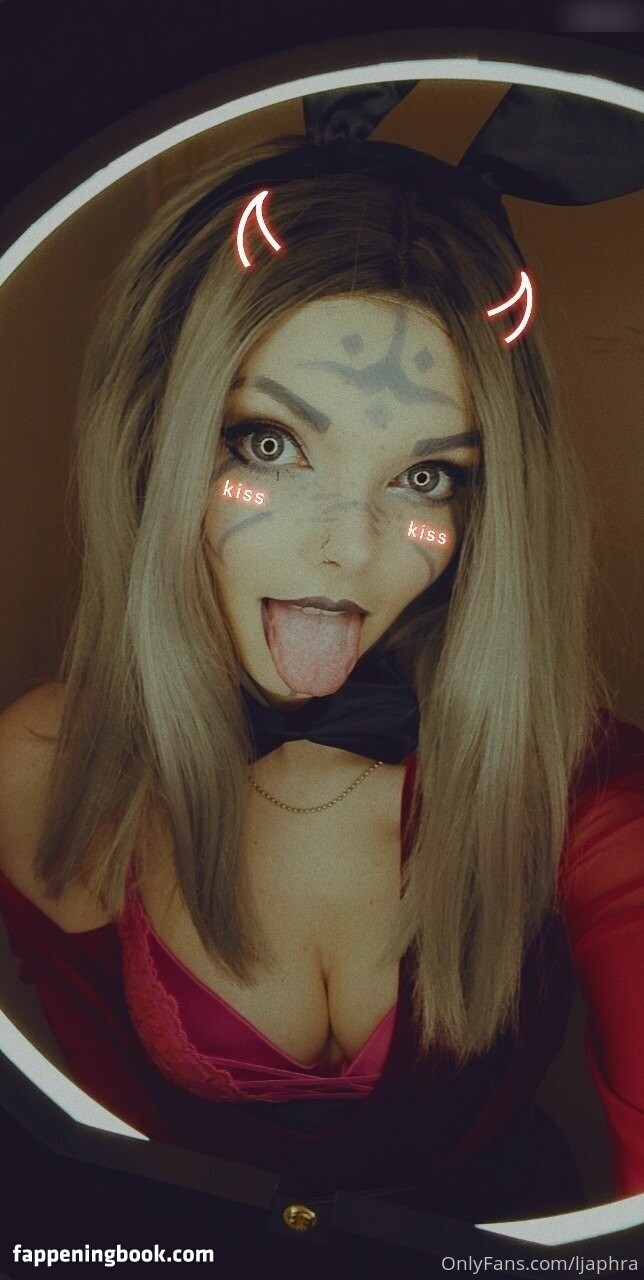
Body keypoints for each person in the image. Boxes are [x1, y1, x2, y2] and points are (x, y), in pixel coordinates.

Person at [0, 82, 643, 1224]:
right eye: (270, 443)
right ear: (161, 439)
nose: (349, 545)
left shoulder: (578, 788)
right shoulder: (53, 766)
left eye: (426, 476)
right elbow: (91, 1151)